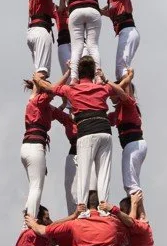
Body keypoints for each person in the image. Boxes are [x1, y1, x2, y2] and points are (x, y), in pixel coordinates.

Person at [32, 57, 131, 208]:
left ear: (78, 74)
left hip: (86, 131)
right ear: (93, 74)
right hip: (104, 130)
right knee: (103, 171)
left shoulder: (71, 90)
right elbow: (122, 91)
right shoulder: (102, 87)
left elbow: (50, 88)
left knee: (84, 171)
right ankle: (104, 206)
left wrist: (37, 81)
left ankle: (82, 207)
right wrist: (116, 79)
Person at [43, 0, 128, 81]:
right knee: (92, 46)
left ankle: (73, 78)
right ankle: (98, 77)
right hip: (93, 9)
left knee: (77, 47)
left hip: (75, 11)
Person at [20, 68, 69, 217]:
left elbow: (61, 116)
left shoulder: (43, 106)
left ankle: (29, 217)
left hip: (29, 147)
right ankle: (29, 221)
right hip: (35, 147)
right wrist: (67, 73)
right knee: (36, 188)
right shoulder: (38, 101)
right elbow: (53, 91)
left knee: (33, 187)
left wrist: (65, 103)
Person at [106, 71, 147, 197]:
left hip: (133, 144)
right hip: (132, 145)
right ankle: (138, 210)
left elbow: (124, 94)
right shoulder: (119, 110)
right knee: (132, 181)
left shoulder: (128, 104)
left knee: (130, 183)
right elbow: (107, 119)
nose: (109, 95)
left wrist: (126, 78)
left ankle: (137, 210)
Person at [103, 0, 140, 80]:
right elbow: (110, 12)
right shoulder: (111, 2)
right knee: (120, 70)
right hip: (125, 32)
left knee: (121, 67)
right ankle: (126, 92)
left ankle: (127, 95)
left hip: (128, 30)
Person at [27, 0, 57, 77]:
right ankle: (37, 92)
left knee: (39, 70)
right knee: (42, 71)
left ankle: (38, 90)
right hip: (41, 31)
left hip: (33, 31)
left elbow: (58, 11)